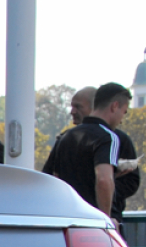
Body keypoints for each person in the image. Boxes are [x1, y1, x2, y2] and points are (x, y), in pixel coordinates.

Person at [41, 82, 139, 222]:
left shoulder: (66, 138)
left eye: (78, 106)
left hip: (68, 219)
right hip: (95, 221)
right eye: (123, 112)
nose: (72, 111)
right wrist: (105, 221)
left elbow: (53, 179)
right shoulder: (108, 137)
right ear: (114, 106)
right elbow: (104, 179)